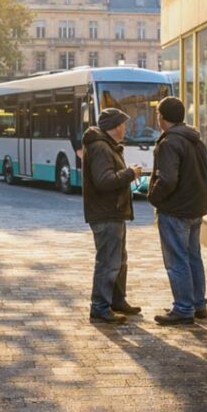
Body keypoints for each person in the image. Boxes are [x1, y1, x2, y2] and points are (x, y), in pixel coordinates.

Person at [147, 96, 207, 326]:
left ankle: (183, 308)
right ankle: (197, 303)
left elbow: (168, 179)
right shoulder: (195, 140)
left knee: (177, 260)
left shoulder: (170, 143)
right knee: (193, 256)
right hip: (195, 207)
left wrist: (153, 196)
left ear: (162, 118)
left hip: (175, 209)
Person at [82, 107, 144, 323]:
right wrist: (130, 173)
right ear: (115, 127)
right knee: (108, 262)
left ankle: (117, 300)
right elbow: (104, 181)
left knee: (119, 259)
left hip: (113, 212)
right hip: (105, 213)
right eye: (123, 124)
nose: (125, 128)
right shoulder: (100, 147)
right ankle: (100, 306)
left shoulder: (108, 146)